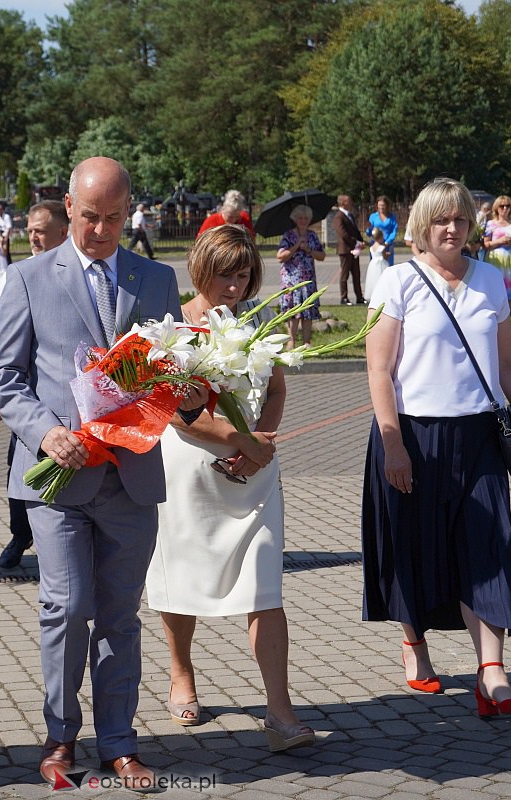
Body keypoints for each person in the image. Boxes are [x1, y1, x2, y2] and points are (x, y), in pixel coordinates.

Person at [0, 157, 208, 790]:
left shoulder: (157, 279)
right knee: (67, 605)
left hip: (131, 477)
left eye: (113, 218)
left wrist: (189, 395)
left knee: (118, 614)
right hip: (60, 474)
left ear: (129, 209)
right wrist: (45, 432)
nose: (100, 230)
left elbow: (175, 370)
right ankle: (60, 737)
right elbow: (2, 377)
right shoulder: (29, 278)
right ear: (67, 206)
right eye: (88, 217)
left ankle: (118, 742)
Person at [362, 177, 511, 719]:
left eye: (461, 219)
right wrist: (392, 443)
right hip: (412, 436)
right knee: (412, 545)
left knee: (488, 546)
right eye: (442, 220)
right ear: (421, 226)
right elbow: (378, 369)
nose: (452, 228)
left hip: (480, 437)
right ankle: (414, 642)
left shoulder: (491, 280)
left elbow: (509, 362)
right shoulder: (397, 282)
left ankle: (491, 673)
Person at [145, 225, 315, 753]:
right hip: (189, 474)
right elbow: (172, 411)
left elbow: (277, 384)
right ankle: (181, 674)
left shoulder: (262, 321)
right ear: (201, 269)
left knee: (266, 586)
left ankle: (280, 713)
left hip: (255, 475)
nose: (235, 286)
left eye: (244, 275)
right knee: (180, 581)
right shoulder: (173, 328)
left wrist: (259, 440)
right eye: (225, 275)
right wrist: (237, 437)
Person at [0, 200, 70, 570]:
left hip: (67, 400)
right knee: (19, 470)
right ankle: (21, 535)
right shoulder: (18, 275)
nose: (32, 235)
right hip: (27, 400)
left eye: (40, 229)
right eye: (30, 229)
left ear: (62, 232)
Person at [276, 204, 325, 348]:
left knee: (307, 311)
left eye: (306, 218)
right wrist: (296, 245)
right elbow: (280, 257)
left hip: (308, 278)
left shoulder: (312, 236)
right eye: (300, 218)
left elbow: (322, 255)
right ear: (295, 219)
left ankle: (306, 342)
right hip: (291, 280)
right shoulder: (288, 235)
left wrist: (308, 249)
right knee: (292, 311)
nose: (303, 221)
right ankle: (291, 340)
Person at [481, 195, 511, 308]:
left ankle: (508, 318)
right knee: (493, 289)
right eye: (502, 206)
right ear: (496, 208)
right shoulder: (491, 224)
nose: (505, 208)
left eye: (508, 206)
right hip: (494, 259)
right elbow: (486, 244)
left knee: (508, 292)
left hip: (510, 260)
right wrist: (499, 241)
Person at [332, 194, 366, 305]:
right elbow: (343, 233)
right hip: (345, 250)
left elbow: (355, 231)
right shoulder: (339, 216)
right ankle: (344, 297)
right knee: (344, 275)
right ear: (342, 203)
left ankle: (359, 297)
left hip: (354, 249)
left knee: (357, 274)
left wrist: (361, 241)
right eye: (348, 201)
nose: (351, 203)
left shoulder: (349, 215)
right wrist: (355, 242)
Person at [367, 196, 399, 265]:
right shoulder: (373, 216)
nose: (381, 207)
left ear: (387, 206)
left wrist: (387, 242)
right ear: (377, 206)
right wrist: (368, 229)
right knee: (376, 264)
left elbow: (394, 231)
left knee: (388, 266)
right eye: (380, 205)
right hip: (376, 245)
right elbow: (369, 233)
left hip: (387, 245)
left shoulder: (392, 217)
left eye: (383, 205)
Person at [363, 227, 389, 302]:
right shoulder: (382, 247)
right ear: (380, 238)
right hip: (381, 264)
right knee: (381, 279)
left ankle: (374, 295)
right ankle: (382, 295)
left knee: (373, 280)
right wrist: (388, 254)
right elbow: (385, 257)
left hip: (373, 265)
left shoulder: (371, 247)